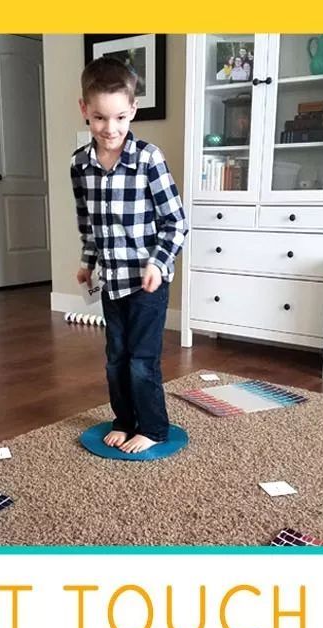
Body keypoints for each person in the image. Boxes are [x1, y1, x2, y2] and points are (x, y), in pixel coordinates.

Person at [71, 58, 187, 454]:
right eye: (100, 117)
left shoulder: (148, 159)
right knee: (115, 359)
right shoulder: (79, 164)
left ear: (133, 110)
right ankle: (123, 419)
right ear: (85, 110)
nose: (110, 128)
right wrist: (88, 263)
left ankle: (153, 428)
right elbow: (89, 223)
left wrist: (158, 263)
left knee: (142, 360)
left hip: (147, 281)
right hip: (111, 281)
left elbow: (176, 222)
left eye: (120, 117)